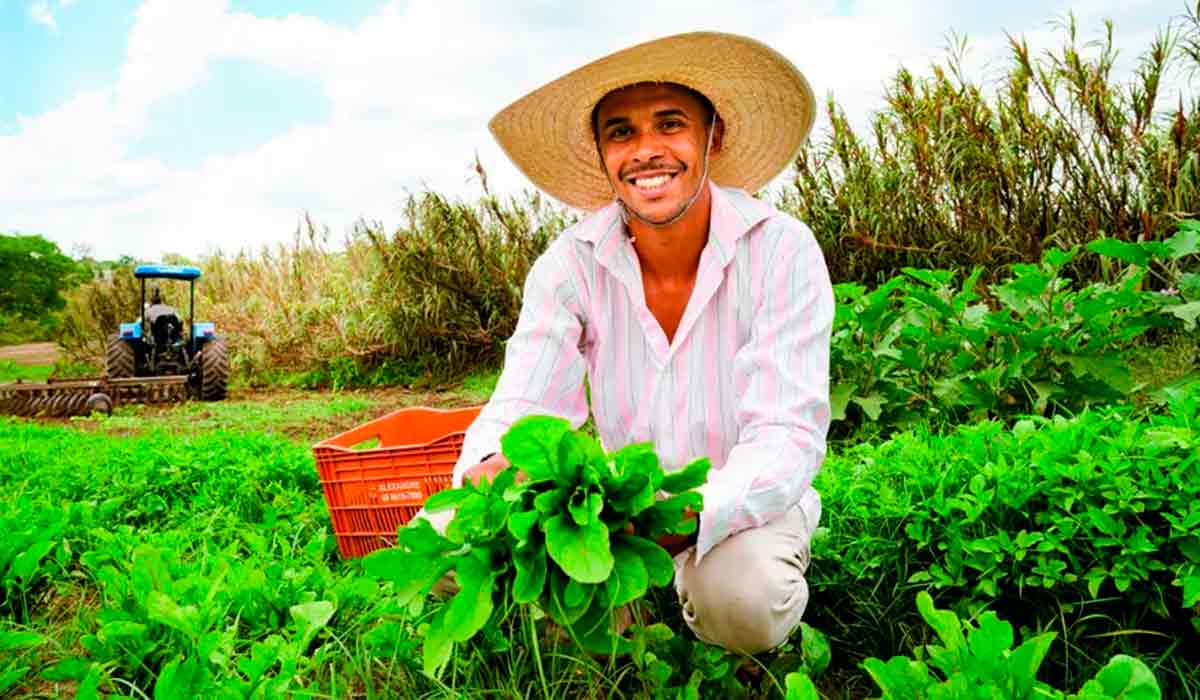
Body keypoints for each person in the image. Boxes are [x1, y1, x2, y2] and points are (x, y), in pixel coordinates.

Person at [436, 31, 833, 655]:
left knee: (742, 600)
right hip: (617, 507)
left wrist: (686, 514)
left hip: (741, 504)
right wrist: (493, 466)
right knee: (445, 536)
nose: (646, 151)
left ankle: (722, 618)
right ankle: (619, 610)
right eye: (621, 132)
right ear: (601, 154)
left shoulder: (781, 250)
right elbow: (525, 403)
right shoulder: (571, 264)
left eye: (669, 124)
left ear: (713, 137)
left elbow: (787, 434)